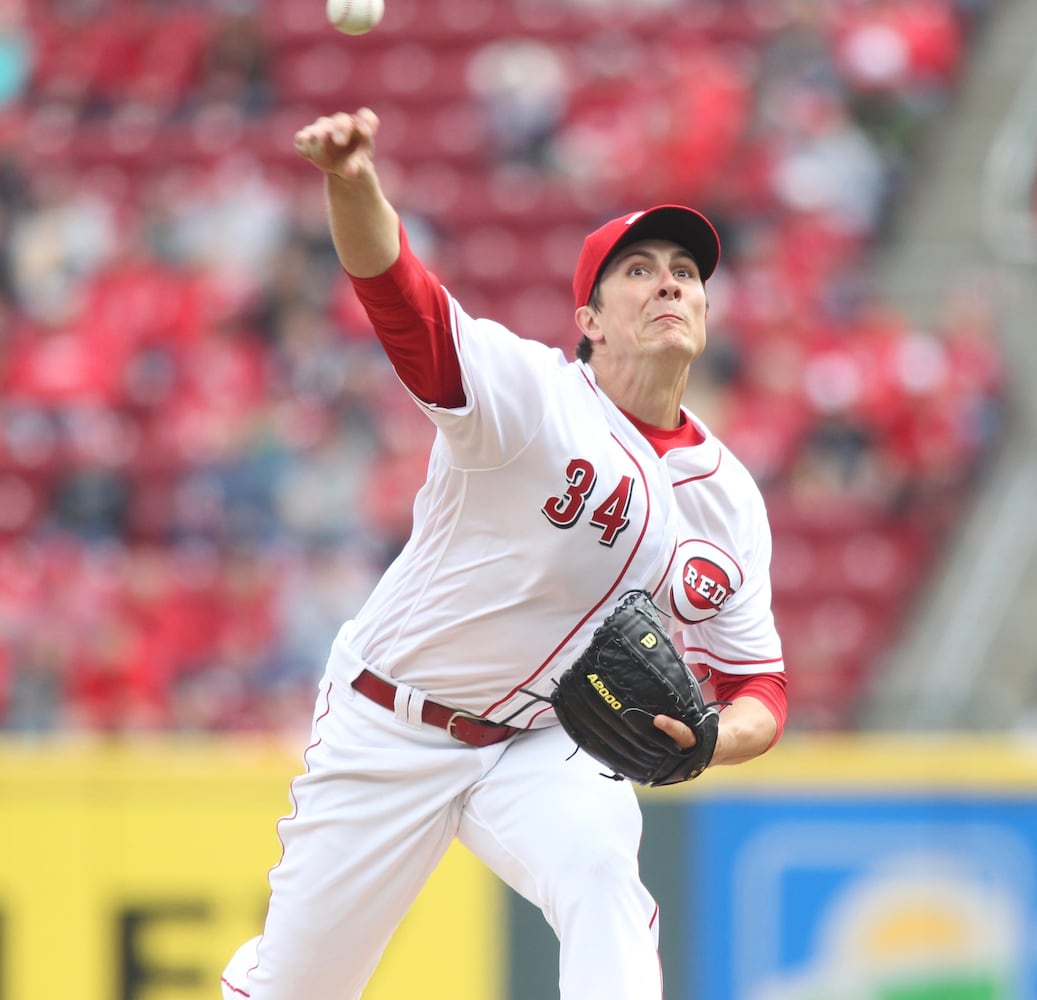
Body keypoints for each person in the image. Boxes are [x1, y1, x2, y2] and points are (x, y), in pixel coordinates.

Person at [220, 107, 788, 1000]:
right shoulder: (531, 399)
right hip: (391, 721)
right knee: (298, 990)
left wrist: (714, 739)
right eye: (637, 271)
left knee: (605, 884)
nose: (669, 285)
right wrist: (353, 181)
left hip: (540, 740)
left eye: (685, 272)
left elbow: (761, 687)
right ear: (588, 320)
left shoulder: (726, 497)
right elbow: (403, 304)